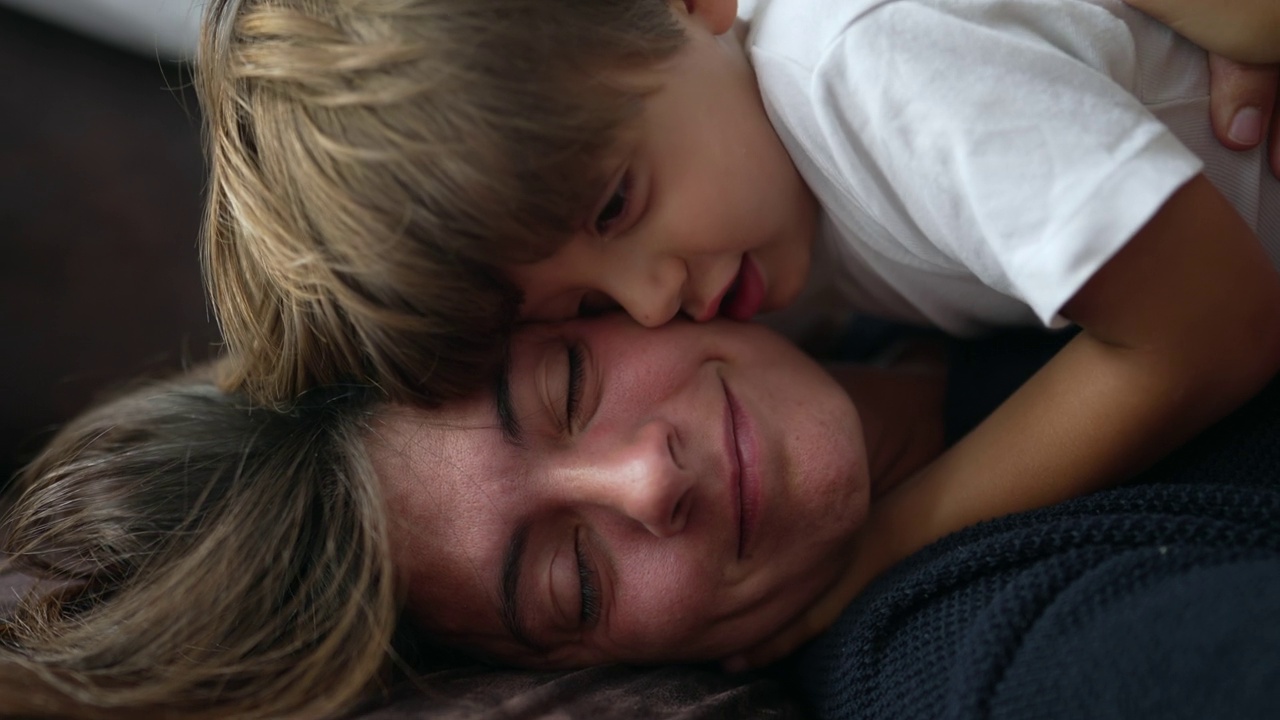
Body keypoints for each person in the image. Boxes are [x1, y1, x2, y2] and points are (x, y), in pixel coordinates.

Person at [5, 316, 1280, 719]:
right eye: (572, 582)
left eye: (564, 387)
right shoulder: (971, 656)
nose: (642, 483)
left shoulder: (888, 241)